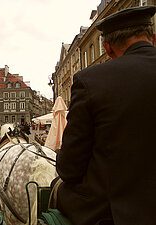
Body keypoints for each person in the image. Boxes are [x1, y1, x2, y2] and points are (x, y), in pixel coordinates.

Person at [56, 6, 156, 225]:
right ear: (153, 38)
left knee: (53, 195)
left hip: (117, 212)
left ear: (107, 48)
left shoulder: (90, 81)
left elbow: (70, 168)